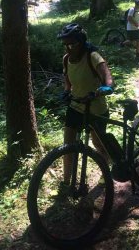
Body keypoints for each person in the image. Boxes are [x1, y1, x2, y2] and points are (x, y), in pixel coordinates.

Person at [57, 23, 114, 185]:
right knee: (68, 145)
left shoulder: (92, 56)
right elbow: (68, 82)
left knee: (98, 144)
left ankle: (106, 171)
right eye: (66, 44)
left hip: (95, 108)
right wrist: (66, 92)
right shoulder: (66, 59)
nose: (69, 48)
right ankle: (66, 182)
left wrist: (107, 87)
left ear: (81, 42)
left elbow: (107, 76)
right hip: (75, 107)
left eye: (72, 44)